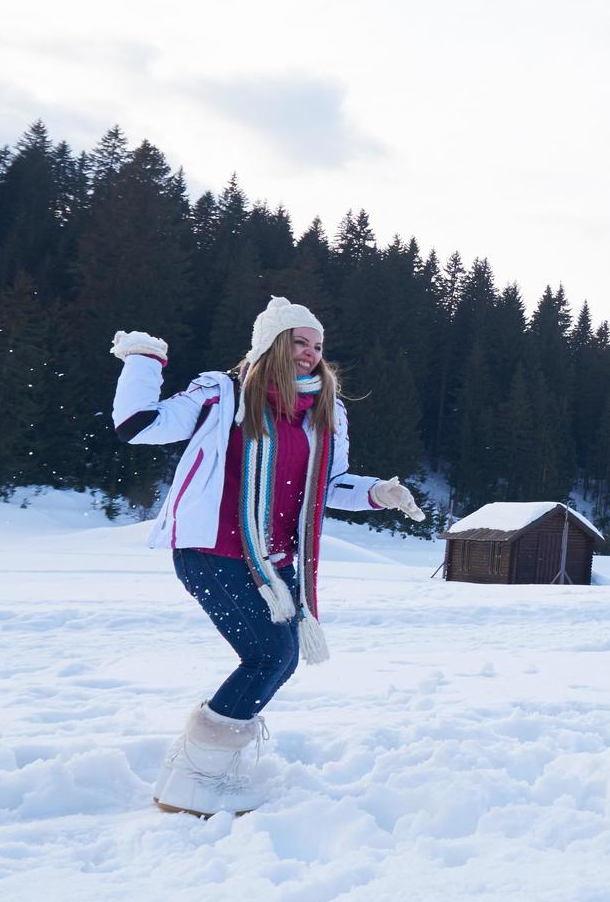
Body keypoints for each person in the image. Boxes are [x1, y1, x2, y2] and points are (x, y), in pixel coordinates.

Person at [109, 295, 426, 815]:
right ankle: (194, 781)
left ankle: (193, 771)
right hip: (211, 549)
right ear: (271, 344)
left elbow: (330, 484)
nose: (310, 353)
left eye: (318, 345)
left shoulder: (326, 411)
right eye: (299, 341)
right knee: (269, 657)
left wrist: (377, 493)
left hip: (275, 562)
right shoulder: (223, 393)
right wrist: (144, 361)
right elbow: (139, 425)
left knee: (280, 659)